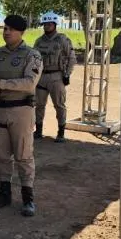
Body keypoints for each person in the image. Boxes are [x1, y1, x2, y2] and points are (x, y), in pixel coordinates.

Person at [0, 15, 43, 216]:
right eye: (5, 28)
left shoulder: (31, 55)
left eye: (11, 29)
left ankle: (28, 198)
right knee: (1, 155)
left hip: (21, 111)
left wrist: (1, 83)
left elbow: (29, 83)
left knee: (23, 155)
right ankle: (4, 193)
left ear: (21, 32)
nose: (6, 32)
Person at [33, 12, 74, 142]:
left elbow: (71, 58)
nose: (47, 26)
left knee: (59, 105)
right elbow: (34, 59)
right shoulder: (39, 41)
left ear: (55, 25)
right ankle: (38, 130)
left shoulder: (63, 40)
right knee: (39, 105)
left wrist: (67, 74)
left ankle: (61, 132)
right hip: (41, 77)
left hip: (57, 76)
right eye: (45, 24)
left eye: (49, 24)